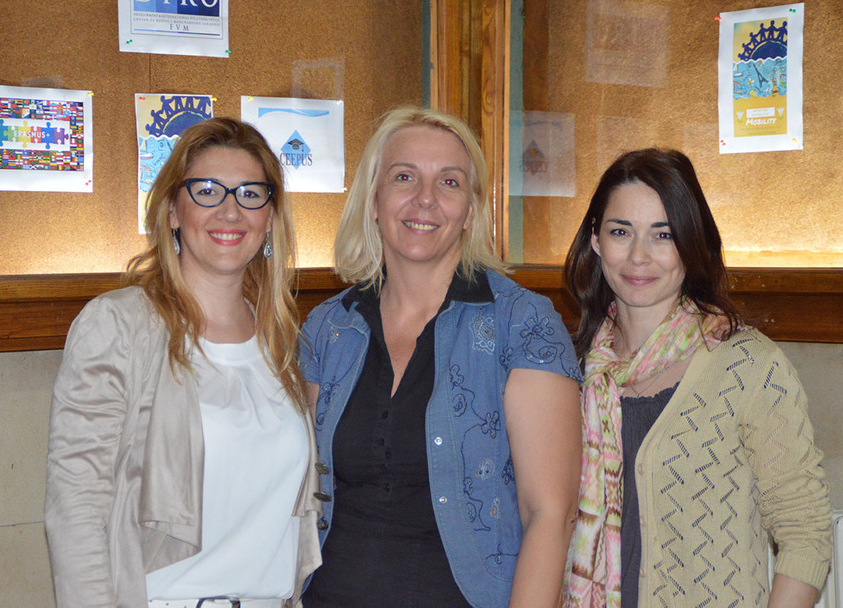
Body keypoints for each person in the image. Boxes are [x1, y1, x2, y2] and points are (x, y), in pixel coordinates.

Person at [300, 106, 583, 608]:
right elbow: (298, 494)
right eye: (404, 176)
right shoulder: (328, 327)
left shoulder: (521, 323)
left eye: (449, 182)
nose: (425, 198)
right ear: (373, 200)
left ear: (470, 210)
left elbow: (550, 514)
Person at [44, 117, 322, 608]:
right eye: (207, 191)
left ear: (270, 218)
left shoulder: (280, 339)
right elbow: (77, 512)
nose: (230, 211)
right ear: (173, 210)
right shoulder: (120, 327)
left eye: (250, 194)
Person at [561, 148, 832, 608]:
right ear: (595, 240)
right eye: (620, 231)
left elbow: (806, 534)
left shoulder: (747, 367)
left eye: (663, 234)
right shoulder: (569, 372)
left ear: (692, 244)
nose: (639, 255)